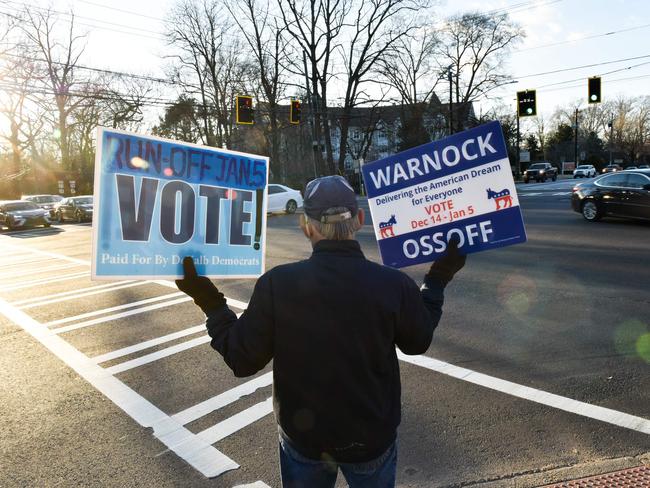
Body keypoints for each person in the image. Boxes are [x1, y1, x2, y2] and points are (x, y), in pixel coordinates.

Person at [176, 175, 466, 488]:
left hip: (306, 441)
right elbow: (418, 341)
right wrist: (438, 278)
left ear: (306, 226)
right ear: (359, 219)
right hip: (370, 439)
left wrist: (207, 298)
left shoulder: (278, 284)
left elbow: (241, 359)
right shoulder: (392, 284)